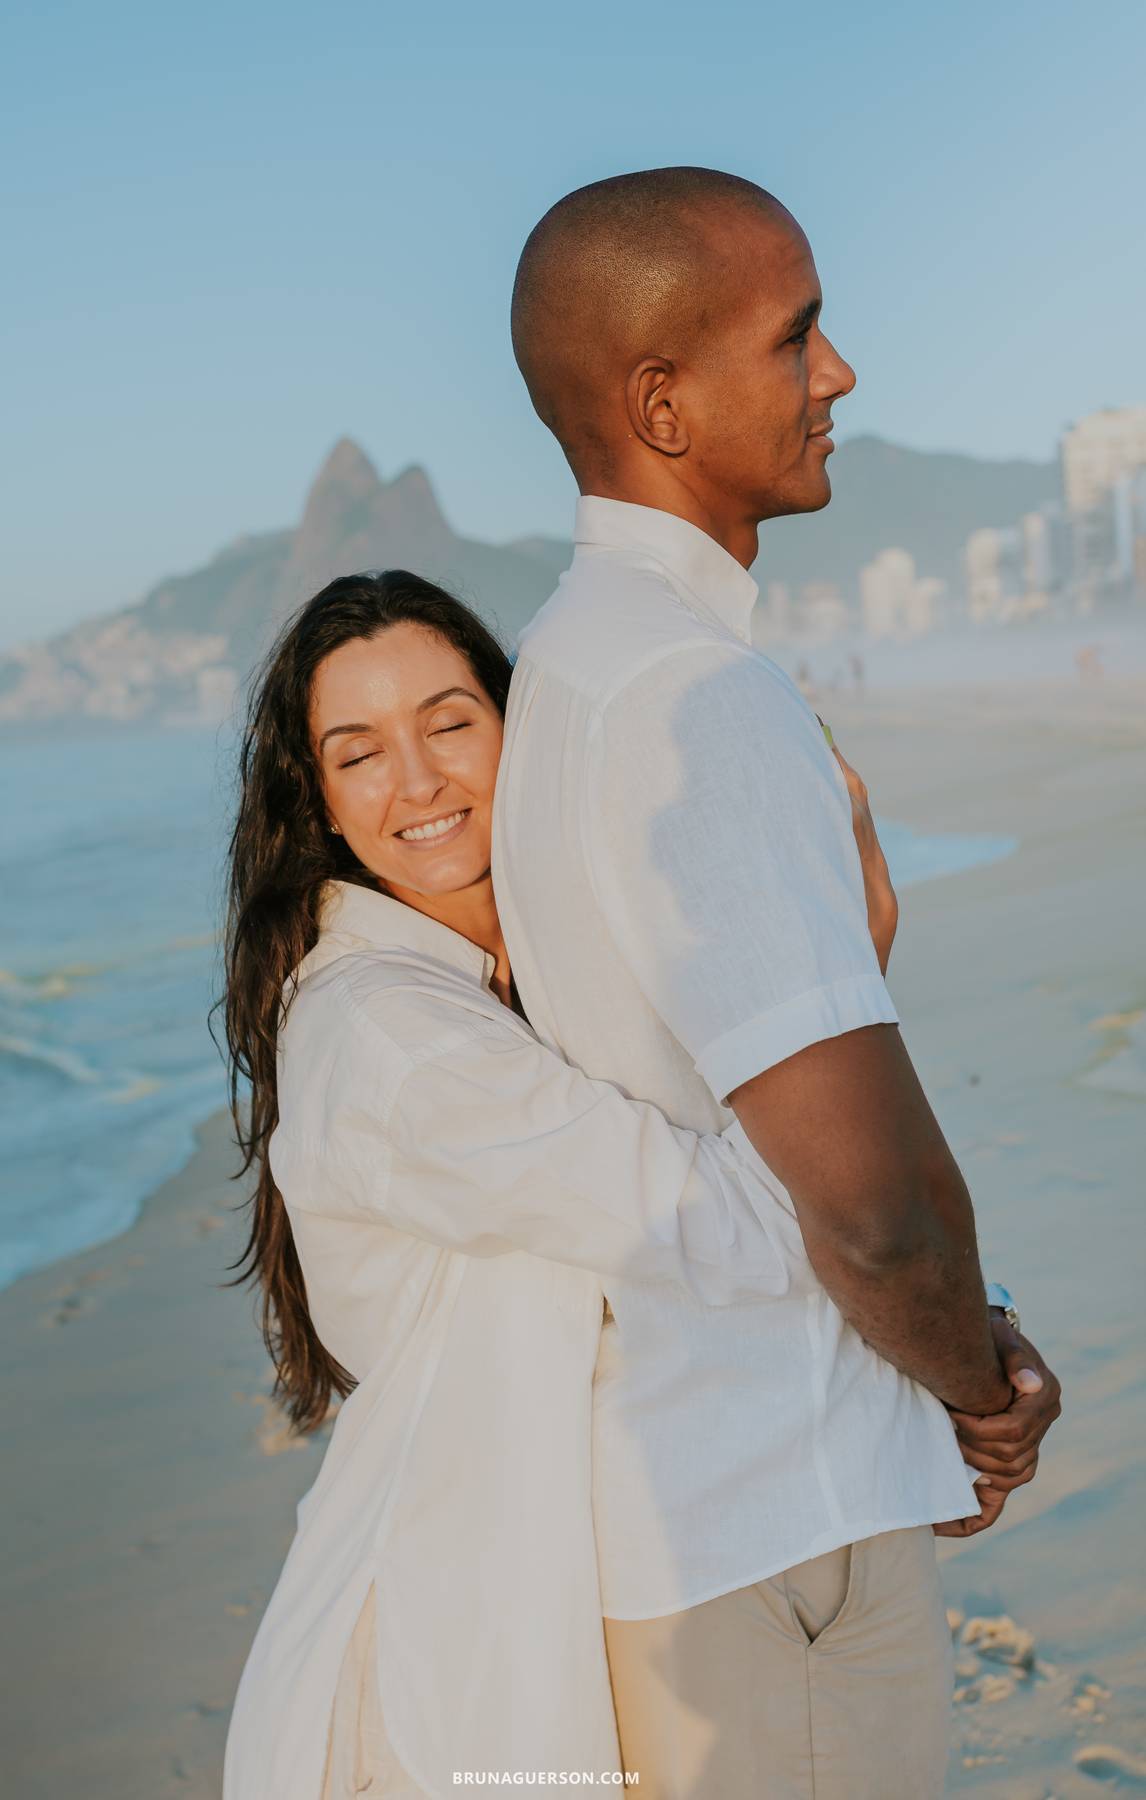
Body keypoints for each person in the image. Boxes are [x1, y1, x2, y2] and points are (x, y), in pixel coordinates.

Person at [496, 167, 1061, 1800]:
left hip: (699, 1506)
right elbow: (866, 1199)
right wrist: (986, 1381)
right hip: (780, 1514)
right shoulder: (696, 696)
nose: (841, 374)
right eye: (798, 334)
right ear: (662, 401)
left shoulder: (572, 659)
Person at [221, 571, 908, 1800]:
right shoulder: (392, 1035)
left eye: (448, 722)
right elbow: (730, 1223)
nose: (419, 782)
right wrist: (832, 988)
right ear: (318, 803)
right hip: (446, 1682)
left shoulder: (531, 973)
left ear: (514, 728)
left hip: (557, 1620)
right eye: (359, 753)